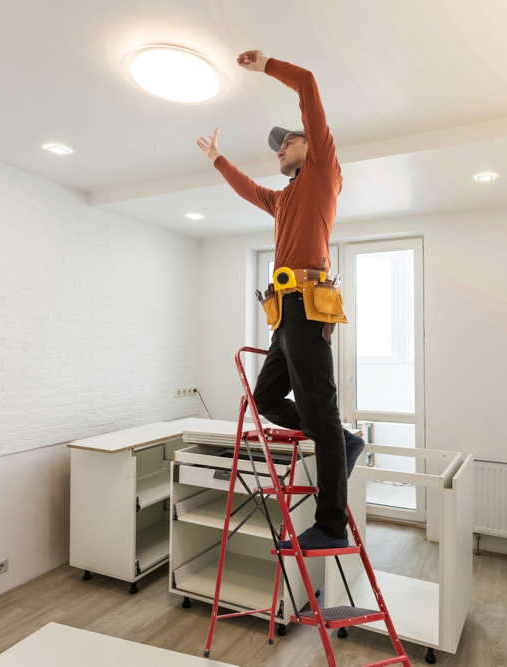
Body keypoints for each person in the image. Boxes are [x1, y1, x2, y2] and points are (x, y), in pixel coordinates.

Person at [197, 50, 364, 551]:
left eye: (286, 141)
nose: (279, 149)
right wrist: (217, 161)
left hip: (309, 306)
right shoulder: (284, 198)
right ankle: (338, 438)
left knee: (321, 413)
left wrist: (266, 64)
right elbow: (251, 191)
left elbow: (309, 83)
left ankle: (331, 523)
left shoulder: (322, 174)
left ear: (308, 144)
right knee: (266, 398)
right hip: (283, 312)